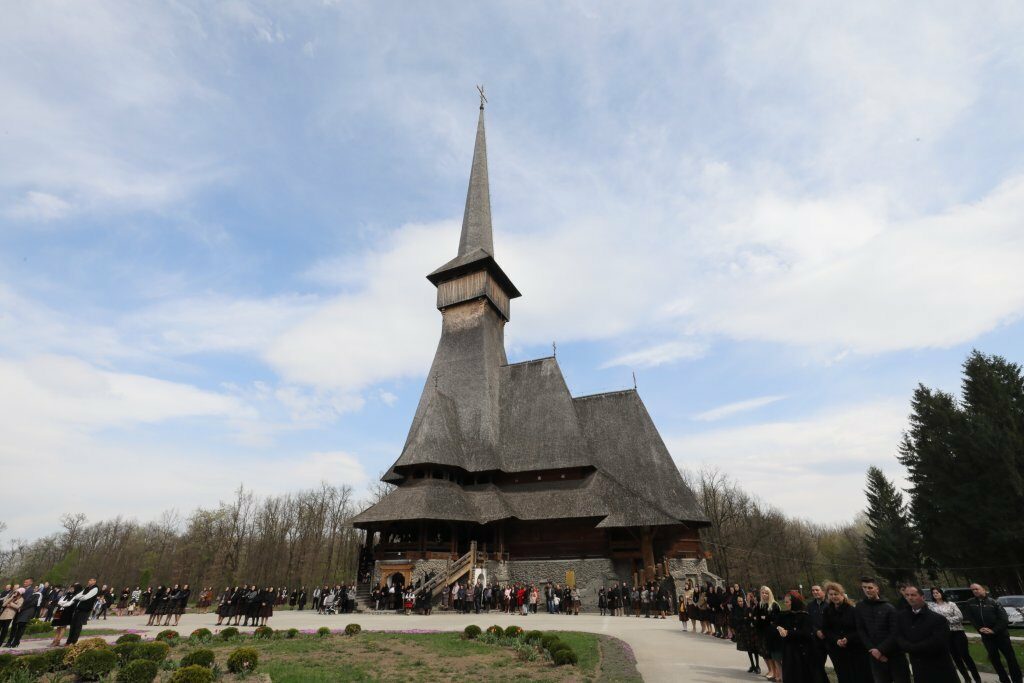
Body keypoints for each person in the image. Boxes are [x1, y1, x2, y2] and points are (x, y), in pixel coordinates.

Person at [894, 585, 957, 683]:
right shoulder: (901, 617)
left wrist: (914, 647)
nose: (910, 598)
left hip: (939, 667)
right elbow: (898, 635)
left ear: (922, 597)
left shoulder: (938, 619)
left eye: (913, 595)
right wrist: (906, 646)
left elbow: (938, 641)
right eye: (907, 595)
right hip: (918, 667)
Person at [854, 577, 910, 683]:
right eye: (864, 587)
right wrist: (872, 649)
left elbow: (895, 632)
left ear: (877, 589)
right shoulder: (859, 607)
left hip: (894, 655)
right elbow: (861, 629)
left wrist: (881, 650)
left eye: (870, 587)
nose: (867, 590)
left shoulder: (889, 607)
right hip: (874, 655)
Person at [964, 583, 1022, 683]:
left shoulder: (994, 602)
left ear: (983, 589)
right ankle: (1004, 680)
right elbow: (971, 618)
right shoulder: (970, 603)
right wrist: (979, 629)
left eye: (977, 589)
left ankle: (1017, 680)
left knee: (1011, 659)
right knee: (995, 660)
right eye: (972, 590)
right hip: (986, 637)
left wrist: (994, 630)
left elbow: (1004, 619)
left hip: (1001, 636)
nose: (975, 591)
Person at [928, 587, 981, 683]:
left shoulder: (951, 604)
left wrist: (945, 620)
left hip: (958, 632)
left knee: (965, 655)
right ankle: (966, 678)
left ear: (941, 593)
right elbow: (933, 620)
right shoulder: (932, 607)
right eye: (933, 593)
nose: (935, 594)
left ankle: (977, 678)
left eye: (937, 592)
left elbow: (960, 617)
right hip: (945, 634)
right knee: (955, 657)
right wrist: (944, 622)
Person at [822, 582, 871, 683]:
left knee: (860, 677)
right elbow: (826, 630)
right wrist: (836, 640)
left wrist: (848, 638)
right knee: (844, 676)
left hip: (856, 649)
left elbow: (860, 629)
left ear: (842, 594)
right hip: (838, 650)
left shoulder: (853, 610)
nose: (833, 597)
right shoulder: (827, 611)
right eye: (831, 594)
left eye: (836, 594)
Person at [777, 592, 824, 683]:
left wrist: (788, 632)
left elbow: (806, 633)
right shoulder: (786, 615)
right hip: (789, 651)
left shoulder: (804, 616)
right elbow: (775, 623)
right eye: (785, 602)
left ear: (794, 602)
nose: (785, 604)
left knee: (802, 675)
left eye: (787, 602)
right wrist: (779, 628)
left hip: (802, 652)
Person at [756, 586, 783, 682]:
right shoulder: (760, 605)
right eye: (762, 593)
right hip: (763, 632)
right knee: (767, 653)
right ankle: (773, 672)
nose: (764, 595)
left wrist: (765, 618)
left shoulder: (774, 605)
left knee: (774, 655)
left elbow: (776, 620)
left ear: (770, 594)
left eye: (766, 593)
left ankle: (778, 674)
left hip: (773, 633)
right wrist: (763, 619)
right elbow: (758, 618)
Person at [4, 579, 41, 648]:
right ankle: (9, 641)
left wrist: (20, 607)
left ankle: (16, 642)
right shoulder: (21, 589)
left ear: (31, 583)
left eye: (26, 582)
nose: (24, 583)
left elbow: (29, 602)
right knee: (14, 626)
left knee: (21, 627)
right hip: (18, 610)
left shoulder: (32, 591)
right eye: (24, 582)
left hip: (25, 611)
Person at [66, 578, 100, 645]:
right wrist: (80, 597)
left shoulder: (95, 589)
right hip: (78, 609)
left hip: (84, 610)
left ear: (94, 581)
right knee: (73, 626)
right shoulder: (87, 588)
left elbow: (86, 597)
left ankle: (74, 641)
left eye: (91, 580)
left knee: (78, 626)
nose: (89, 581)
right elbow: (77, 596)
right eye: (89, 580)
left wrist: (80, 597)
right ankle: (68, 641)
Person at [733, 592, 760, 673]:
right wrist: (745, 618)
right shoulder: (739, 608)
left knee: (755, 649)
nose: (741, 602)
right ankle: (752, 665)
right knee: (748, 649)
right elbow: (738, 618)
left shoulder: (750, 606)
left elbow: (751, 616)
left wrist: (746, 618)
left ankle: (757, 665)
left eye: (742, 601)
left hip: (752, 630)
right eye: (739, 601)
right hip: (744, 630)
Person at [807, 585, 830, 680]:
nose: (815, 592)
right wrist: (816, 631)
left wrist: (824, 632)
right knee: (818, 665)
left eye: (817, 590)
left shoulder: (829, 604)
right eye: (813, 590)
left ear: (823, 592)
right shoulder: (810, 606)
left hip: (830, 639)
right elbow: (808, 621)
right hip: (816, 640)